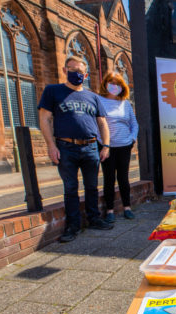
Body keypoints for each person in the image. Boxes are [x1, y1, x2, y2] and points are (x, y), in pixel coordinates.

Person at [38, 55, 113, 243]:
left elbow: (102, 122)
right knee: (70, 188)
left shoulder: (93, 96)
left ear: (85, 74)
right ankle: (73, 226)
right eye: (72, 70)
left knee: (92, 186)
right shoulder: (53, 91)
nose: (76, 74)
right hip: (65, 147)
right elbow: (45, 119)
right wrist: (51, 145)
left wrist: (106, 145)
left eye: (80, 71)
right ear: (65, 70)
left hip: (90, 147)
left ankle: (94, 219)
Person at [97, 72, 139, 223]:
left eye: (118, 84)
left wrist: (132, 139)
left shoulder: (125, 103)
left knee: (123, 178)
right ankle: (110, 210)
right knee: (109, 179)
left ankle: (127, 207)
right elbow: (98, 124)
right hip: (107, 147)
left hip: (124, 146)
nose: (114, 86)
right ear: (105, 83)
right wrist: (102, 143)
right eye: (111, 82)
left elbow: (134, 123)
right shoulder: (99, 100)